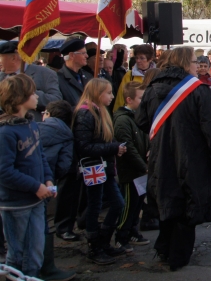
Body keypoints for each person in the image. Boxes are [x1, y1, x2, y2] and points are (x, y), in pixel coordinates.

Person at [137, 47, 211, 272]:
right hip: (191, 156)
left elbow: (140, 121)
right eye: (193, 61)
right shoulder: (198, 91)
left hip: (160, 155)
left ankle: (164, 247)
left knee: (166, 199)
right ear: (184, 64)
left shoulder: (152, 88)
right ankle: (178, 255)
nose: (197, 65)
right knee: (188, 203)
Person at [0, 75, 55, 277]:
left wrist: (47, 179)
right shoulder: (6, 132)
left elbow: (40, 156)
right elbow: (4, 171)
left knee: (35, 251)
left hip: (35, 200)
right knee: (17, 254)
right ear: (19, 97)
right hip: (16, 204)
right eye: (32, 93)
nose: (36, 96)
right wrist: (35, 186)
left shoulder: (31, 124)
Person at [72, 78, 127, 264]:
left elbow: (103, 140)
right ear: (97, 93)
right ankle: (95, 246)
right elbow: (84, 146)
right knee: (95, 206)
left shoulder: (100, 112)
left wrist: (115, 146)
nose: (112, 96)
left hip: (105, 166)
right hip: (94, 167)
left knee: (118, 204)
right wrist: (112, 148)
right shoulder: (85, 114)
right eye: (109, 93)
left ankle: (103, 242)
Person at [53, 39, 92, 243]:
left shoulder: (85, 76)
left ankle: (83, 219)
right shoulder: (59, 78)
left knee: (85, 181)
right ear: (70, 56)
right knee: (69, 183)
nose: (87, 56)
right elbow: (60, 108)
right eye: (83, 53)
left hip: (86, 134)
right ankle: (63, 225)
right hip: (70, 135)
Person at [38, 100, 76, 281]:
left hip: (22, 185)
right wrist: (51, 177)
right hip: (45, 183)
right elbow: (64, 165)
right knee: (41, 225)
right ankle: (46, 267)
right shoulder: (67, 134)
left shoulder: (34, 127)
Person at [113, 82, 151, 255]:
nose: (143, 101)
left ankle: (133, 231)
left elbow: (146, 138)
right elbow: (128, 147)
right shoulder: (122, 120)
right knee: (128, 205)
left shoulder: (139, 116)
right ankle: (121, 236)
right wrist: (143, 166)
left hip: (141, 170)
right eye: (140, 98)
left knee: (137, 204)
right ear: (129, 99)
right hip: (130, 171)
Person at [0, 40, 62, 122]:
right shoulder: (1, 76)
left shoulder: (45, 74)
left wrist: (28, 92)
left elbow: (56, 101)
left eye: (0, 58)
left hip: (33, 127)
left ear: (13, 58)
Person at [112, 44, 154, 112]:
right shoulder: (130, 74)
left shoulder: (156, 74)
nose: (138, 61)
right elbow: (121, 96)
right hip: (132, 113)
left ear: (150, 59)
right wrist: (117, 113)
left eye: (142, 58)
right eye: (136, 58)